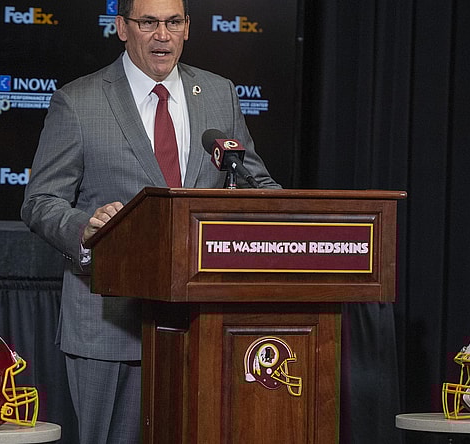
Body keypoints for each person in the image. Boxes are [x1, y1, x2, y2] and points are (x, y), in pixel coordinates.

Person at [21, 0, 280, 441]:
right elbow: (41, 200)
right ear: (122, 27)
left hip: (203, 323)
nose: (163, 34)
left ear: (187, 29)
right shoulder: (79, 100)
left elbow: (258, 185)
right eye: (149, 22)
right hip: (109, 322)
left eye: (173, 22)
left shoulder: (219, 93)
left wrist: (285, 221)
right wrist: (84, 228)